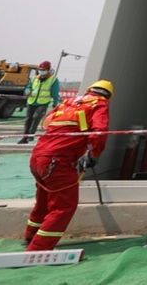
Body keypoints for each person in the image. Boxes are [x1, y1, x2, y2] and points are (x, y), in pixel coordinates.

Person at [24, 80, 113, 251]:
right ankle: (38, 249)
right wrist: (94, 154)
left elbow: (47, 124)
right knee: (63, 207)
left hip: (38, 157)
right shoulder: (99, 104)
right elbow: (100, 130)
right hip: (57, 162)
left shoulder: (68, 103)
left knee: (44, 201)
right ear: (108, 96)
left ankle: (30, 236)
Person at [18, 61, 60, 144]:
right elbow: (28, 87)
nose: (41, 71)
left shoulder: (53, 80)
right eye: (40, 69)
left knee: (36, 117)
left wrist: (55, 102)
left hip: (43, 103)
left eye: (43, 70)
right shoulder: (34, 78)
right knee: (28, 120)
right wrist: (27, 91)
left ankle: (31, 134)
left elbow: (55, 92)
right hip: (31, 102)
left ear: (48, 70)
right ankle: (24, 137)